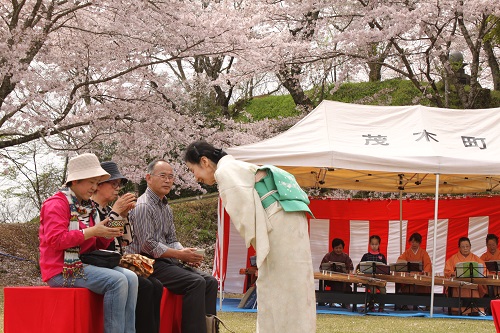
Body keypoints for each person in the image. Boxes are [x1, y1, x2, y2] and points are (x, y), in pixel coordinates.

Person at [184, 140, 316, 333]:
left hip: (278, 219)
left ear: (204, 161)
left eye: (192, 170)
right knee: (295, 284)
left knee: (277, 283)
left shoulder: (224, 170)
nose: (195, 178)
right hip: (291, 216)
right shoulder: (237, 165)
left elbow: (245, 213)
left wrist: (259, 249)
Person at [39, 153, 138, 333]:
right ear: (75, 181)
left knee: (131, 277)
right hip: (60, 269)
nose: (94, 187)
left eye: (96, 182)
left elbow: (101, 242)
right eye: (91, 182)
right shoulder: (56, 204)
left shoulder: (87, 207)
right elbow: (55, 240)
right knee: (116, 281)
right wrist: (91, 231)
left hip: (83, 264)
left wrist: (119, 217)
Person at [126, 159, 217, 333]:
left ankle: (210, 329)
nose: (168, 180)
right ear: (148, 178)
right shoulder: (144, 206)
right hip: (146, 262)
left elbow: (172, 238)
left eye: (171, 177)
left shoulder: (165, 206)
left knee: (210, 281)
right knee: (195, 282)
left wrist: (186, 252)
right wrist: (179, 255)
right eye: (163, 176)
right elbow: (148, 245)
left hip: (165, 260)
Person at [92, 161, 164, 333]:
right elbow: (105, 240)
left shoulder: (108, 209)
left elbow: (125, 240)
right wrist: (116, 212)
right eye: (113, 184)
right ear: (98, 185)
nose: (118, 188)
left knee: (156, 285)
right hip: (100, 263)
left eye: (120, 184)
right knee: (145, 286)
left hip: (115, 263)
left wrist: (123, 216)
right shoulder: (91, 209)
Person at [444, 237, 487, 314]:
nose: (465, 248)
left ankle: (476, 309)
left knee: (475, 287)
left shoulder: (476, 259)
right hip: (459, 285)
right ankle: (457, 309)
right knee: (458, 287)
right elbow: (447, 271)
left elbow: (484, 271)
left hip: (473, 284)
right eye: (463, 247)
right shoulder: (453, 259)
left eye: (467, 246)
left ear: (470, 247)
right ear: (459, 248)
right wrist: (454, 273)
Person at [395, 232, 432, 310]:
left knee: (426, 284)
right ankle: (404, 304)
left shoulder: (423, 253)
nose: (414, 243)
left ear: (419, 243)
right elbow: (400, 261)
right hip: (409, 276)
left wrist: (425, 272)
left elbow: (427, 264)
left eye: (416, 242)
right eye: (412, 241)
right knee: (404, 284)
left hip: (420, 276)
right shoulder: (407, 253)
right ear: (410, 242)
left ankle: (427, 304)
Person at [358, 235, 387, 312]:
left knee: (383, 291)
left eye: (376, 244)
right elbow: (360, 267)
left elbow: (385, 269)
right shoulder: (366, 256)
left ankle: (381, 307)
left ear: (379, 245)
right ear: (369, 244)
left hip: (379, 280)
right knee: (373, 290)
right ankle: (371, 306)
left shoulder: (382, 257)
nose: (374, 246)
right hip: (369, 280)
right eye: (372, 244)